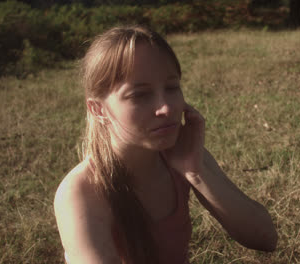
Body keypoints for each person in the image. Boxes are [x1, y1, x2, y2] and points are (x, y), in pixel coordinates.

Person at [54, 25, 278, 264]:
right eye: (139, 95)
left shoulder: (181, 156)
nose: (167, 108)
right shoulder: (80, 191)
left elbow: (266, 238)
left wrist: (196, 172)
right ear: (98, 109)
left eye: (172, 88)